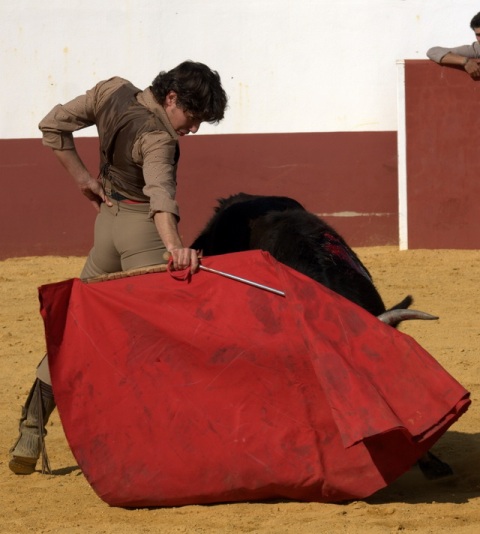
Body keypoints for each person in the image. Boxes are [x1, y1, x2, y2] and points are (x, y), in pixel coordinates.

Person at [9, 60, 228, 475]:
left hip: (107, 228)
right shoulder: (159, 139)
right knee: (160, 339)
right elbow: (161, 198)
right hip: (143, 234)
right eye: (193, 117)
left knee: (76, 331)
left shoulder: (112, 90)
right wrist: (175, 249)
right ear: (172, 98)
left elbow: (52, 126)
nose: (194, 129)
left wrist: (82, 179)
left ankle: (32, 426)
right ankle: (161, 442)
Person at [427, 11, 480, 79]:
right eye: (478, 35)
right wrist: (465, 61)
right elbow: (433, 52)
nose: (479, 39)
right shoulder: (476, 49)